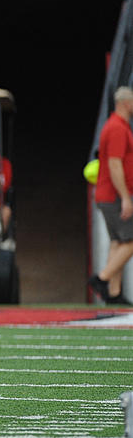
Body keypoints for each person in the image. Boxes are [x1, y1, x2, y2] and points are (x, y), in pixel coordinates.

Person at [90, 87, 133, 304]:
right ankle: (102, 279)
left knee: (118, 241)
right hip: (114, 195)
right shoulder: (117, 128)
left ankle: (114, 294)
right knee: (130, 240)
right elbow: (115, 164)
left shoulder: (117, 126)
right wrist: (125, 196)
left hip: (109, 194)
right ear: (126, 103)